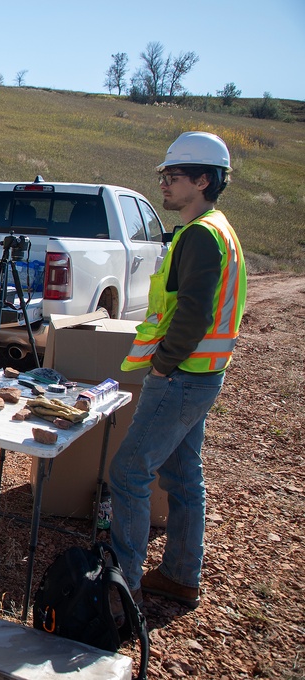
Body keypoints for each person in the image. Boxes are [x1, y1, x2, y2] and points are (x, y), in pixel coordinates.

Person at [110, 131, 246, 611]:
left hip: (183, 375)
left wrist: (163, 367)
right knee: (183, 473)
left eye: (174, 176)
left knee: (128, 473)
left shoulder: (203, 235)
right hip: (202, 374)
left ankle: (123, 588)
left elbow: (192, 314)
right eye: (164, 176)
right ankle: (181, 576)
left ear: (204, 180)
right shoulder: (215, 228)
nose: (164, 184)